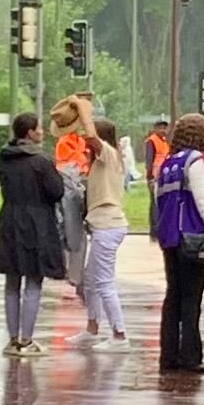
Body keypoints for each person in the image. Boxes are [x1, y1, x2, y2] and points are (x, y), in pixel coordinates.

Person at [152, 113, 204, 374]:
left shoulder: (168, 163)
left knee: (173, 297)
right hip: (191, 236)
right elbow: (202, 200)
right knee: (192, 299)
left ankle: (169, 355)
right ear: (200, 135)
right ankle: (191, 357)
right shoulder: (194, 161)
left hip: (169, 237)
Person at [0, 111, 68, 359]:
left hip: (9, 220)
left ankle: (12, 339)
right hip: (36, 222)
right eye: (40, 128)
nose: (43, 132)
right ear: (30, 132)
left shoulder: (3, 158)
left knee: (11, 281)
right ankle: (27, 340)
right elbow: (56, 191)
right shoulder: (41, 161)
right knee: (34, 281)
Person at [74, 114, 133, 345]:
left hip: (108, 225)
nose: (87, 141)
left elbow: (90, 136)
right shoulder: (102, 160)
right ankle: (92, 327)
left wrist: (80, 108)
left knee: (104, 282)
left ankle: (119, 335)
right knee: (89, 281)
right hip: (101, 225)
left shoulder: (109, 154)